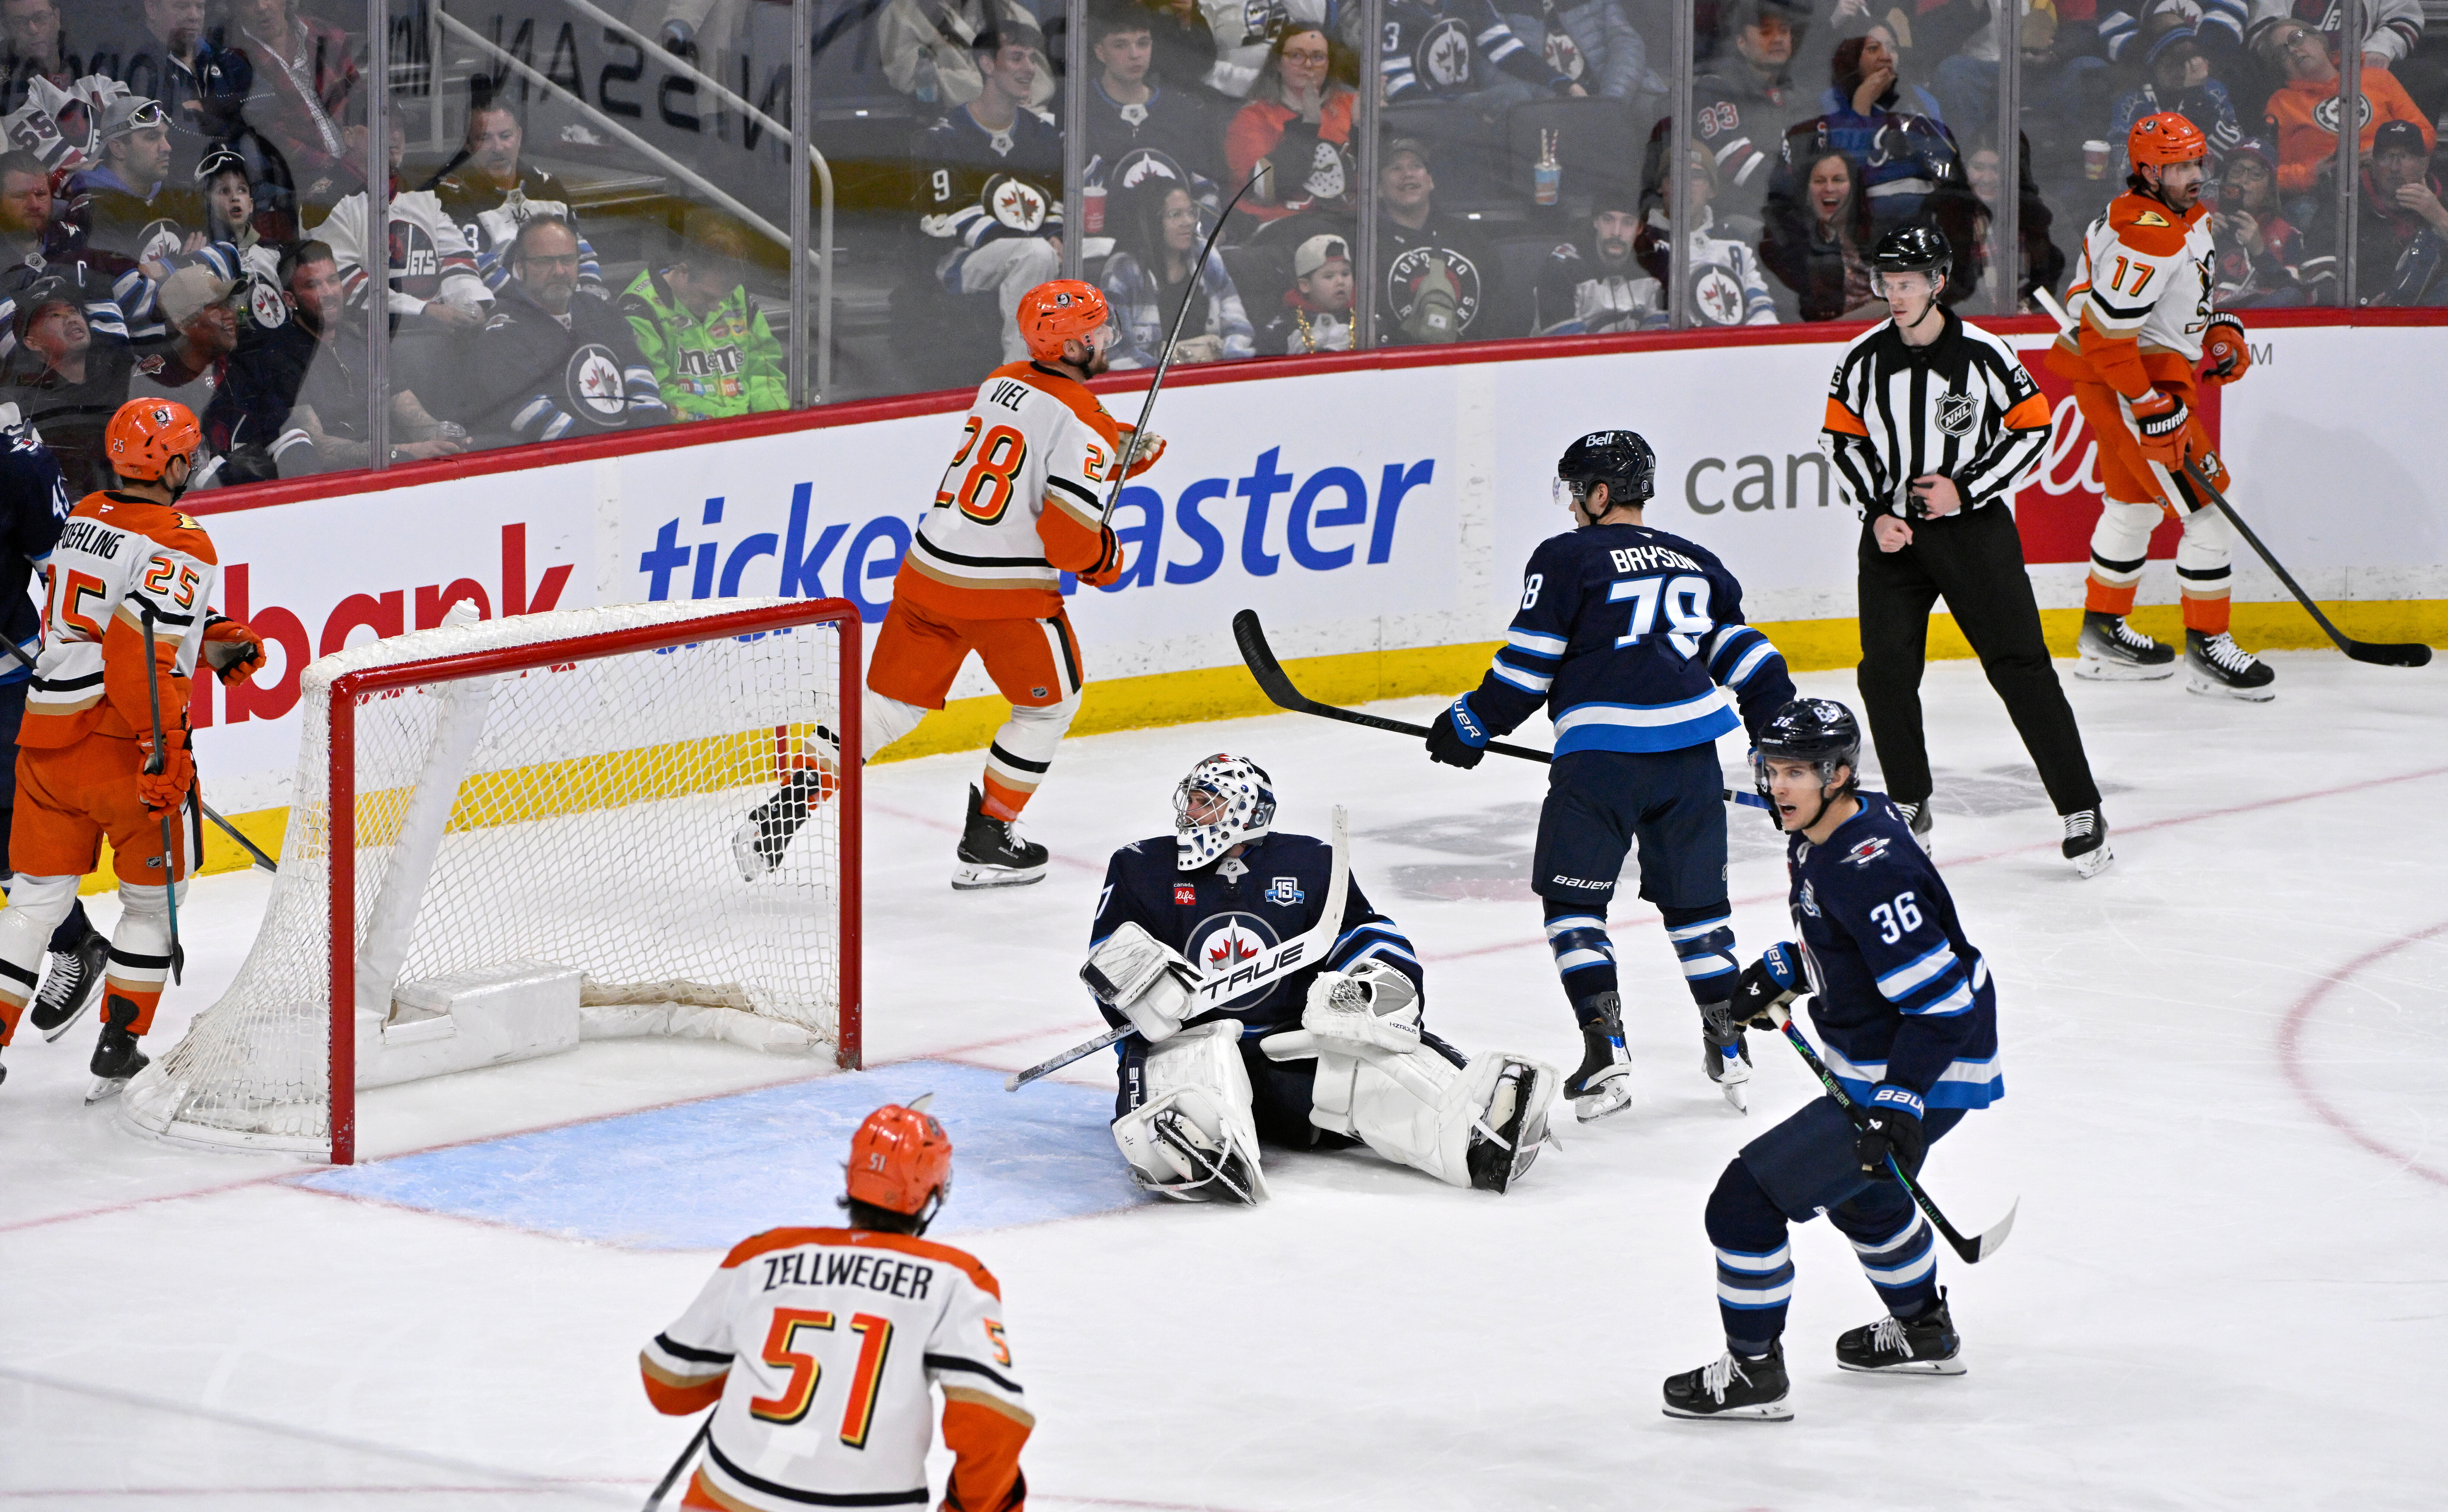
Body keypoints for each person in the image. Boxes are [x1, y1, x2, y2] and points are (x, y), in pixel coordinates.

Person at [1425, 431, 1797, 1122]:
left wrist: (1472, 722)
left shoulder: (1567, 559)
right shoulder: (1699, 562)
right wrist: (1776, 760)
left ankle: (1607, 1053)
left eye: (1576, 493)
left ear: (1599, 495)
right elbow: (1756, 668)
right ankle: (1729, 1044)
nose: (1571, 508)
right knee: (1699, 915)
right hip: (1691, 761)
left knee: (1574, 909)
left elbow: (1528, 667)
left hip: (1599, 764)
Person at [1659, 696, 2002, 1421]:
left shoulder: (1867, 869)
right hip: (1894, 1051)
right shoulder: (1822, 829)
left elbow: (1940, 1006)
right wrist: (1790, 967)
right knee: (1867, 1196)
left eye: (1795, 772)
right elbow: (1851, 949)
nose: (1776, 786)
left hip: (1927, 1062)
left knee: (1743, 1204)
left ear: (1840, 773)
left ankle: (1754, 1372)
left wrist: (1901, 1104)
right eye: (1770, 769)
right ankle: (1922, 1331)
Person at [1082, 753, 1558, 1202]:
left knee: (1365, 1058)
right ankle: (1199, 1146)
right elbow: (1107, 954)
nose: (1191, 812)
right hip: (1191, 1042)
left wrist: (1373, 984)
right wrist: (1144, 989)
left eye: (1209, 802)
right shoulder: (1142, 867)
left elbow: (1364, 932)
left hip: (1284, 1053)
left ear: (1248, 812)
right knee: (1202, 1060)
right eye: (1192, 799)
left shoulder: (1311, 863)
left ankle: (1473, 1133)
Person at [1822, 224, 2109, 874]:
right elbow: (1841, 440)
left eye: (1905, 283)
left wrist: (1967, 489)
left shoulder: (1983, 353)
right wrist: (1875, 513)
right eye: (1885, 283)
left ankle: (2079, 806)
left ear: (1937, 284)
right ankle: (1907, 804)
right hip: (1894, 539)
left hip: (1973, 534)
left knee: (2021, 669)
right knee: (1886, 674)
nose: (1892, 296)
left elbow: (2031, 425)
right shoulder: (1862, 358)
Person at [0, 398, 265, 1098]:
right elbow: (135, 657)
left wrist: (210, 642)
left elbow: (126, 621)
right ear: (173, 463)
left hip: (47, 743)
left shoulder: (86, 513)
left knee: (31, 904)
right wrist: (165, 749)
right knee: (152, 905)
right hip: (123, 749)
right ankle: (119, 1044)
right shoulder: (184, 541)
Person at [856, 281, 1150, 889]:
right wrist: (1110, 558)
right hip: (1003, 596)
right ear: (1072, 346)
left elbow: (1031, 442)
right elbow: (1070, 542)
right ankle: (990, 836)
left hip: (928, 574)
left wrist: (1110, 447)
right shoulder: (1085, 422)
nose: (1107, 340)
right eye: (1097, 332)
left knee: (890, 707)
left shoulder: (1001, 379)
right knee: (1049, 706)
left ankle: (789, 799)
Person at [639, 1101, 1031, 1511]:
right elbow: (994, 1422)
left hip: (728, 1500)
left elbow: (667, 1385)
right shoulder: (956, 1280)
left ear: (852, 1178)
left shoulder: (762, 1255)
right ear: (934, 1193)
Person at [2047, 111, 2274, 698]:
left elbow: (2176, 302)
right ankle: (2207, 650)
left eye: (2197, 161)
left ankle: (2101, 636)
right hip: (2131, 384)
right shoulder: (2145, 235)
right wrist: (2148, 405)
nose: (2194, 174)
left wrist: (2218, 326)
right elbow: (2103, 337)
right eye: (2178, 166)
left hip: (2133, 381)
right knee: (2209, 516)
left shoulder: (2182, 217)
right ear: (2147, 170)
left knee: (2133, 509)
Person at [0, 407, 107, 1054]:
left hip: (5, 685)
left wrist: (89, 663)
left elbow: (66, 571)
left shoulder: (16, 460)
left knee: (12, 836)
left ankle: (75, 942)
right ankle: (76, 941)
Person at [237, 239, 464, 475]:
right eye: (314, 285)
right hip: (338, 484)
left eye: (333, 281)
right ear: (291, 299)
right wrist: (403, 452)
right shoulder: (279, 356)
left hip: (393, 468)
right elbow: (317, 448)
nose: (328, 293)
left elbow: (407, 409)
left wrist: (443, 439)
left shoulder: (362, 340)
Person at [913, 27, 1065, 366]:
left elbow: (1056, 198)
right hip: (962, 259)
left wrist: (1056, 234)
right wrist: (1038, 237)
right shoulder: (945, 137)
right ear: (986, 65)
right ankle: (1023, 372)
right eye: (1016, 58)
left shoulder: (1041, 132)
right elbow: (947, 217)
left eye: (1032, 59)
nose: (1029, 68)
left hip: (1033, 243)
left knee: (1096, 249)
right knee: (1035, 253)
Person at [459, 216, 667, 448]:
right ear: (520, 267)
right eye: (545, 262)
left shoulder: (599, 310)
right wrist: (613, 451)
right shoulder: (501, 334)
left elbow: (639, 376)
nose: (559, 271)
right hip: (564, 466)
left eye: (567, 260)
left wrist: (651, 440)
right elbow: (542, 423)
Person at [1644, 0, 1811, 238]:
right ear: (1741, 43)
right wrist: (1806, 192)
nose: (1778, 39)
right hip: (1740, 223)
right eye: (1766, 32)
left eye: (1784, 31)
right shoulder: (1715, 91)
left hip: (1794, 214)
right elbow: (1744, 166)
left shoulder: (1801, 98)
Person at [433, 98, 608, 302]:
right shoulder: (452, 195)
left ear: (519, 136)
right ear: (469, 144)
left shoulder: (547, 187)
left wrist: (590, 296)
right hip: (500, 311)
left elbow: (580, 251)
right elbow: (474, 266)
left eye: (506, 136)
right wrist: (533, 307)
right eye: (485, 138)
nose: (497, 147)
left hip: (558, 304)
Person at [617, 213, 785, 422]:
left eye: (724, 297)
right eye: (708, 297)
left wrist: (776, 420)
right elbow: (655, 390)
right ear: (683, 271)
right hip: (686, 437)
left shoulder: (736, 296)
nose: (717, 307)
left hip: (745, 428)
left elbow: (765, 369)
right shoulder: (640, 309)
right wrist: (731, 420)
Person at [2254, 18, 2430, 202]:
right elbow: (2270, 173)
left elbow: (2425, 133)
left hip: (2389, 180)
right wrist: (2314, 173)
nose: (2292, 50)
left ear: (2320, 41)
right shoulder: (2281, 103)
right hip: (2323, 195)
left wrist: (2386, 151)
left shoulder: (2377, 78)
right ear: (2280, 67)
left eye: (2297, 38)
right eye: (2281, 52)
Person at [226, 0, 361, 218]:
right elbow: (271, 138)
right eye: (248, 2)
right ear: (235, 8)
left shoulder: (325, 34)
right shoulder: (234, 62)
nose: (261, 7)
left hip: (360, 165)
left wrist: (365, 152)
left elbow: (360, 102)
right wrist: (338, 169)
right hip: (309, 189)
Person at [1100, 178, 1254, 369]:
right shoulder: (1123, 271)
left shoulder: (1206, 256)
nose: (1188, 222)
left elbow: (1238, 324)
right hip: (1154, 386)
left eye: (1191, 213)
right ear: (1151, 221)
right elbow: (1118, 352)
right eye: (1175, 215)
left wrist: (1229, 364)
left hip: (1214, 375)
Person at [3, 278, 135, 494]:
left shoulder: (115, 372)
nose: (71, 319)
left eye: (73, 311)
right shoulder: (18, 405)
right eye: (55, 315)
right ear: (32, 342)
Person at [2304, 119, 2448, 306]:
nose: (2395, 167)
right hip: (2362, 323)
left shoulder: (2442, 206)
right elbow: (2319, 274)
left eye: (2404, 157)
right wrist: (2362, 307)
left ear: (2424, 164)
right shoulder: (2344, 206)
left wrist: (2440, 218)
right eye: (2387, 157)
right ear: (2373, 163)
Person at [1223, 26, 1357, 227]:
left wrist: (1373, 129)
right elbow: (1263, 190)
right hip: (1278, 227)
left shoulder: (1352, 107)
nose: (1308, 64)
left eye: (1318, 57)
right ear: (1278, 63)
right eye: (1296, 56)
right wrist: (1308, 125)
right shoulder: (1252, 118)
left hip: (1345, 227)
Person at [97, 0, 245, 179]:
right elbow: (161, 133)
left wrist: (208, 106)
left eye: (200, 7)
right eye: (182, 6)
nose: (194, 16)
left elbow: (266, 101)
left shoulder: (217, 54)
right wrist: (229, 120)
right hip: (171, 188)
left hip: (234, 181)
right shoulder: (131, 63)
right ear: (152, 8)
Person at [1375, 138, 1501, 345]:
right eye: (1396, 168)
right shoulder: (1369, 245)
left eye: (1416, 166)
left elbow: (1496, 312)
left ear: (1431, 181)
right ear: (1379, 189)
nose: (1408, 174)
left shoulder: (1469, 238)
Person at [1083, 5, 1221, 189]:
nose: (1135, 55)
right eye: (1120, 45)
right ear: (1100, 52)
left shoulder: (1182, 111)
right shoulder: (1079, 106)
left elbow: (1206, 192)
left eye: (1143, 43)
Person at [1647, 144, 1779, 325]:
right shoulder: (1644, 242)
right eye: (1675, 174)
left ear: (1712, 190)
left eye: (1696, 176)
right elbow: (1650, 323)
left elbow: (1761, 311)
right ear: (1662, 187)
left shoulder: (1735, 240)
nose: (1685, 184)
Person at [68, 93, 189, 275]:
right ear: (118, 148)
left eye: (165, 136)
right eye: (152, 137)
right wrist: (186, 262)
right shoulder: (92, 209)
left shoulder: (177, 192)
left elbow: (224, 252)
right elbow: (124, 284)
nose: (167, 147)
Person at [1381, 0, 1584, 104]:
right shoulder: (1391, 10)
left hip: (1464, 105)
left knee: (1538, 100)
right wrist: (1447, 110)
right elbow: (1398, 85)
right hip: (1421, 113)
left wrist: (1565, 83)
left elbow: (1508, 51)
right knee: (1512, 96)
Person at [1760, 145, 1878, 321]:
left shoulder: (1878, 234)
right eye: (1820, 181)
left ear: (1854, 188)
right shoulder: (1792, 244)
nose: (1829, 188)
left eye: (1838, 180)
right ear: (1807, 193)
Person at [2108, 25, 2242, 177]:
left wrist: (2196, 101)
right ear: (2156, 64)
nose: (2182, 71)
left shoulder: (2213, 91)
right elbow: (2120, 161)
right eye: (2174, 61)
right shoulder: (2132, 102)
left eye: (2189, 60)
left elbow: (2236, 152)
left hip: (2207, 187)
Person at [2210, 135, 2328, 304]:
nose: (2244, 180)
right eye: (2236, 171)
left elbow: (2295, 296)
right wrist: (2201, 240)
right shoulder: (2200, 215)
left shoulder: (2287, 234)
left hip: (2256, 323)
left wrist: (2260, 252)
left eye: (2256, 174)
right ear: (2225, 179)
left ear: (2270, 188)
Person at [1531, 185, 1665, 333]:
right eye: (1608, 220)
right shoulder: (1563, 267)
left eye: (1628, 223)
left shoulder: (1654, 266)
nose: (1617, 232)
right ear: (1596, 222)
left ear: (1640, 229)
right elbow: (1565, 351)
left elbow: (1660, 341)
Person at [876, 0, 1056, 109]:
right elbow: (917, 79)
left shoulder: (1016, 15)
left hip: (1024, 132)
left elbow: (1040, 81)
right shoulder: (902, 15)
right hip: (953, 137)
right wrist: (1003, 89)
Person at [124, 262, 236, 434]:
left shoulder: (237, 364)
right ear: (183, 323)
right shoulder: (156, 386)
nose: (230, 314)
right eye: (216, 307)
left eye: (229, 304)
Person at [194, 146, 283, 335]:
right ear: (207, 204)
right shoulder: (200, 259)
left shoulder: (273, 256)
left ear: (251, 205)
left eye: (242, 190)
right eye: (224, 191)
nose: (235, 198)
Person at [1506, 0, 1658, 103]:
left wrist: (1611, 100)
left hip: (1611, 95)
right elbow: (1499, 71)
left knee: (1651, 108)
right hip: (1546, 109)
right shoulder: (1502, 9)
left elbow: (1627, 47)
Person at [1256, 229, 1356, 353]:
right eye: (1329, 277)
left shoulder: (1367, 319)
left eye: (1346, 274)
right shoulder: (1283, 330)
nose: (1340, 281)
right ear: (1305, 286)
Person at [2, 0, 75, 117]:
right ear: (8, 29)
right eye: (20, 23)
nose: (33, 29)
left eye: (41, 18)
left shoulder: (89, 63)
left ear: (57, 18)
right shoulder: (4, 84)